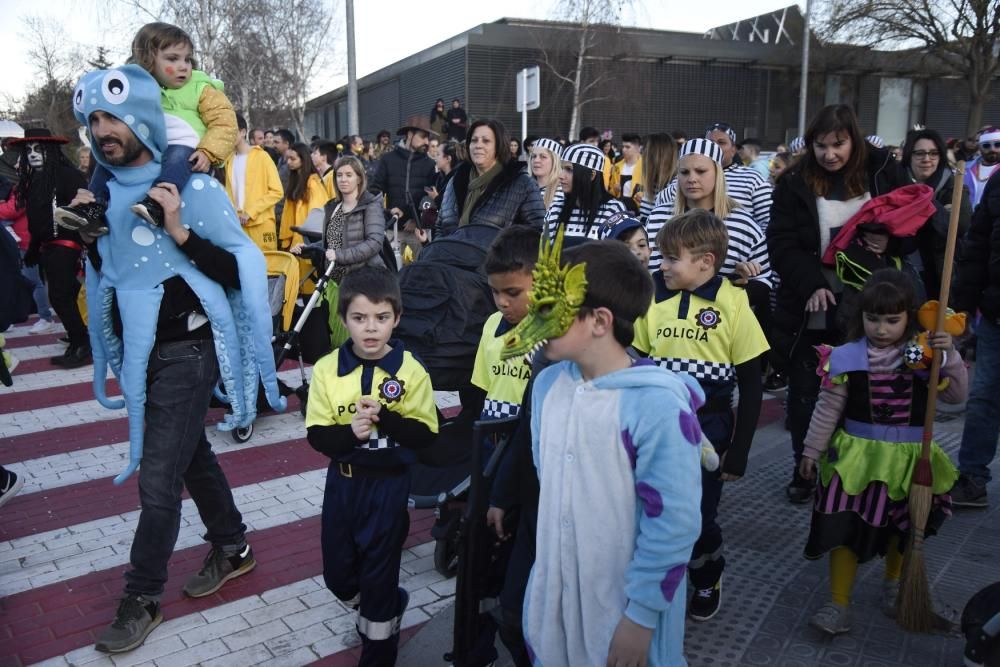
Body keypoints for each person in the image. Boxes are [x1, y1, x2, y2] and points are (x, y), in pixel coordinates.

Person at [71, 64, 283, 653]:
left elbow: (240, 270)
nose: (103, 129)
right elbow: (112, 277)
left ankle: (140, 596)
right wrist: (89, 241)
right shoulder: (105, 194)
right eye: (93, 120)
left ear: (141, 116)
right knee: (191, 456)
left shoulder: (196, 187)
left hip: (190, 352)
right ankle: (233, 545)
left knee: (158, 477)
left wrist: (180, 230)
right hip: (142, 358)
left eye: (112, 116)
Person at [521, 239, 702, 666]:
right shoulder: (547, 388)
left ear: (599, 321)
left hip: (623, 615)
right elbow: (550, 487)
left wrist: (639, 619)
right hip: (557, 606)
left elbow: (673, 522)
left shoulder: (655, 406)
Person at [798, 269, 965, 634]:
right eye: (873, 319)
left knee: (902, 528)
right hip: (856, 460)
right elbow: (828, 407)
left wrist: (947, 354)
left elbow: (956, 397)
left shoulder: (921, 356)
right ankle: (838, 603)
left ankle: (894, 587)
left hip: (908, 460)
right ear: (861, 316)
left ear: (909, 317)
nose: (882, 328)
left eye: (892, 320)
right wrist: (812, 450)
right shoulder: (845, 357)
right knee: (844, 528)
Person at [633, 209, 769, 622]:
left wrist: (740, 450)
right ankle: (655, 581)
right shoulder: (651, 297)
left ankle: (707, 573)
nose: (662, 265)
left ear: (706, 262)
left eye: (672, 258)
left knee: (697, 515)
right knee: (650, 509)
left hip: (708, 428)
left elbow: (752, 382)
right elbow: (635, 362)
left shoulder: (733, 302)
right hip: (654, 428)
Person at [767, 104, 907, 504]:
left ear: (854, 140)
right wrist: (810, 282)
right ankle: (804, 468)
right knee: (808, 390)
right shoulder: (794, 181)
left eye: (838, 144)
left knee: (868, 389)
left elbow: (913, 221)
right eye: (821, 145)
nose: (829, 154)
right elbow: (781, 242)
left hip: (874, 303)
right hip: (812, 304)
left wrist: (891, 241)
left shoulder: (882, 170)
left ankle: (860, 469)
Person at [305, 266, 438, 666]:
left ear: (396, 318)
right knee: (340, 577)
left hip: (388, 488)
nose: (370, 329)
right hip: (343, 486)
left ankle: (378, 651)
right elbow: (317, 435)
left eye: (381, 318)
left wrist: (389, 419)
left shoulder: (410, 369)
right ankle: (381, 604)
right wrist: (351, 434)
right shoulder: (328, 368)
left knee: (379, 577)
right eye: (359, 318)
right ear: (344, 319)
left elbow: (427, 436)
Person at [56, 22, 237, 232]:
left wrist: (208, 151)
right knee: (106, 162)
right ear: (149, 60)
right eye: (173, 59)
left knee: (178, 156)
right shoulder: (138, 90)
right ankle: (93, 207)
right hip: (151, 145)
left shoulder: (200, 87)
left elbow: (225, 121)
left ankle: (158, 202)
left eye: (187, 59)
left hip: (186, 143)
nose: (184, 66)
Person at [468, 225, 540, 667]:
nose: (501, 303)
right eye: (495, 293)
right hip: (492, 449)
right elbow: (479, 387)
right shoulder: (494, 323)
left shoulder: (557, 335)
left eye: (513, 292)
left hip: (528, 466)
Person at [647, 139, 772, 307]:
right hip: (664, 320)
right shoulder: (658, 217)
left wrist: (742, 281)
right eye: (684, 172)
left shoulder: (743, 224)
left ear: (718, 173)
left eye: (700, 171)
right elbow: (650, 273)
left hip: (720, 323)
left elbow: (764, 282)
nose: (691, 179)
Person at [6, 129, 90, 367]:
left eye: (38, 149)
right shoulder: (34, 180)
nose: (33, 154)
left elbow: (83, 210)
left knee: (60, 296)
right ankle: (78, 337)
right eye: (29, 150)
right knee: (65, 295)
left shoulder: (67, 176)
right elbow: (37, 218)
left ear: (51, 151)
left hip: (67, 244)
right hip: (48, 246)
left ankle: (81, 343)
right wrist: (34, 246)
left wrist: (80, 243)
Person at [950, 168, 1000, 508]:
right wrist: (963, 307)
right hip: (996, 315)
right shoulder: (999, 183)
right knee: (983, 397)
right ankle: (971, 477)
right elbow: (977, 245)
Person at [436, 119, 545, 235]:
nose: (478, 145)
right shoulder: (455, 180)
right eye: (474, 140)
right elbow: (440, 227)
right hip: (449, 252)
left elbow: (538, 233)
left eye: (486, 141)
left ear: (499, 145)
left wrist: (501, 251)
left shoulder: (522, 183)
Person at [902, 128, 972, 299]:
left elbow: (959, 227)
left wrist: (926, 201)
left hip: (941, 274)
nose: (927, 159)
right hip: (903, 270)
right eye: (920, 153)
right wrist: (942, 209)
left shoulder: (954, 185)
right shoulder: (896, 185)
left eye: (933, 153)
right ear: (909, 156)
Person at [291, 155, 386, 279]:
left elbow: (374, 242)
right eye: (339, 175)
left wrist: (339, 255)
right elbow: (332, 242)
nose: (343, 179)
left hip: (364, 280)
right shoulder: (333, 207)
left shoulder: (370, 206)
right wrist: (308, 249)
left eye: (349, 175)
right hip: (335, 280)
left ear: (359, 179)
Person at [370, 117, 437, 259]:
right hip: (391, 229)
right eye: (423, 137)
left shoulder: (430, 164)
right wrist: (387, 213)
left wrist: (417, 220)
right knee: (389, 274)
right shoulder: (388, 159)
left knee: (421, 273)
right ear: (409, 134)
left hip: (419, 231)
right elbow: (375, 191)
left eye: (428, 138)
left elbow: (431, 200)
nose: (427, 142)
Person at [223, 113, 283, 251]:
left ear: (243, 132)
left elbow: (276, 191)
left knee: (267, 267)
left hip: (260, 224)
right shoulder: (229, 160)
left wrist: (251, 212)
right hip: (238, 225)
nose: (226, 135)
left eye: (230, 131)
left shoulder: (262, 157)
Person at [545, 143, 626, 240]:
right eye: (562, 168)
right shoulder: (556, 208)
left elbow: (617, 252)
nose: (561, 176)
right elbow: (545, 251)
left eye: (569, 169)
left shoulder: (613, 210)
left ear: (591, 175)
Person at [280, 142, 331, 292]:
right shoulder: (297, 182)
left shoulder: (313, 186)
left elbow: (315, 221)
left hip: (307, 245)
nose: (288, 162)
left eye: (293, 159)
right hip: (297, 245)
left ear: (303, 159)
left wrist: (306, 245)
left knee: (310, 292)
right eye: (288, 159)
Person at [637, 132, 677, 223]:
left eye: (644, 154)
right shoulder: (653, 183)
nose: (641, 159)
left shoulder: (674, 189)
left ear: (655, 158)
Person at [964, 126, 1000, 208]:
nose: (992, 149)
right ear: (980, 147)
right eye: (986, 145)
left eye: (998, 144)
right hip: (964, 219)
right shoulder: (964, 168)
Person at [528, 137, 563, 213]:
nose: (536, 160)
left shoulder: (562, 191)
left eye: (543, 157)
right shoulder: (524, 188)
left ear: (555, 161)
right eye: (534, 156)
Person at [608, 133, 644, 206]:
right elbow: (611, 191)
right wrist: (615, 190)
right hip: (620, 207)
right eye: (623, 146)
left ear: (639, 148)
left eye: (627, 147)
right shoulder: (617, 166)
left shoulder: (646, 166)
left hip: (639, 209)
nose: (624, 149)